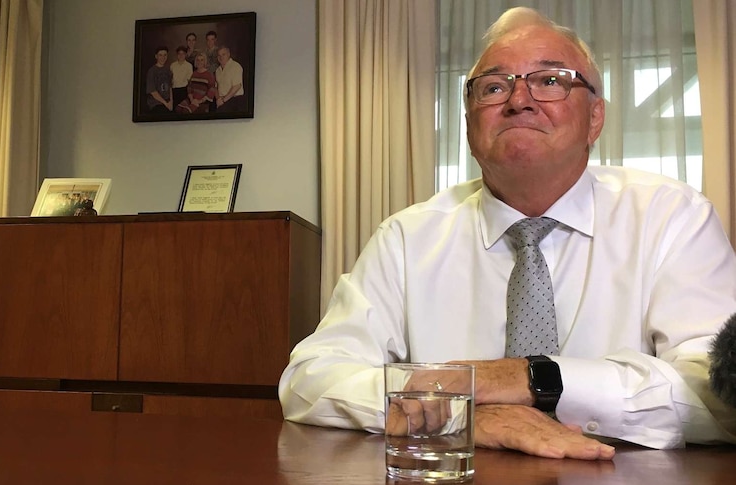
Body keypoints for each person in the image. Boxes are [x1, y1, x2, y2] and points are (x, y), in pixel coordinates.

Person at [279, 7, 736, 460]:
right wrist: (458, 415)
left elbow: (719, 396)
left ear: (595, 117)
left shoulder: (671, 216)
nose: (519, 100)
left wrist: (528, 379)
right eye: (494, 87)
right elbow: (310, 379)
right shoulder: (406, 237)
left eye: (550, 80)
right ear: (469, 124)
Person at [214, 46, 246, 114]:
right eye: (219, 55)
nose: (221, 57)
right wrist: (218, 99)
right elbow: (216, 87)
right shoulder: (217, 70)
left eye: (223, 54)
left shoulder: (235, 66)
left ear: (228, 54)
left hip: (234, 101)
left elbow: (237, 86)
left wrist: (223, 100)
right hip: (221, 101)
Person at [146, 46, 173, 113]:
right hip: (156, 103)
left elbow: (170, 87)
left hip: (167, 102)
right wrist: (166, 104)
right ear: (156, 56)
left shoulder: (168, 70)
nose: (163, 58)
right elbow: (153, 92)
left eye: (165, 55)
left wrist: (171, 102)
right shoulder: (152, 71)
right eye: (160, 55)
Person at [170, 45, 194, 110]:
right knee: (174, 110)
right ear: (177, 55)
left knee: (182, 109)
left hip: (184, 91)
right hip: (174, 90)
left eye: (183, 54)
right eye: (179, 54)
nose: (181, 55)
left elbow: (189, 80)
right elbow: (170, 79)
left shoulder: (189, 66)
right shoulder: (172, 65)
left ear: (185, 54)